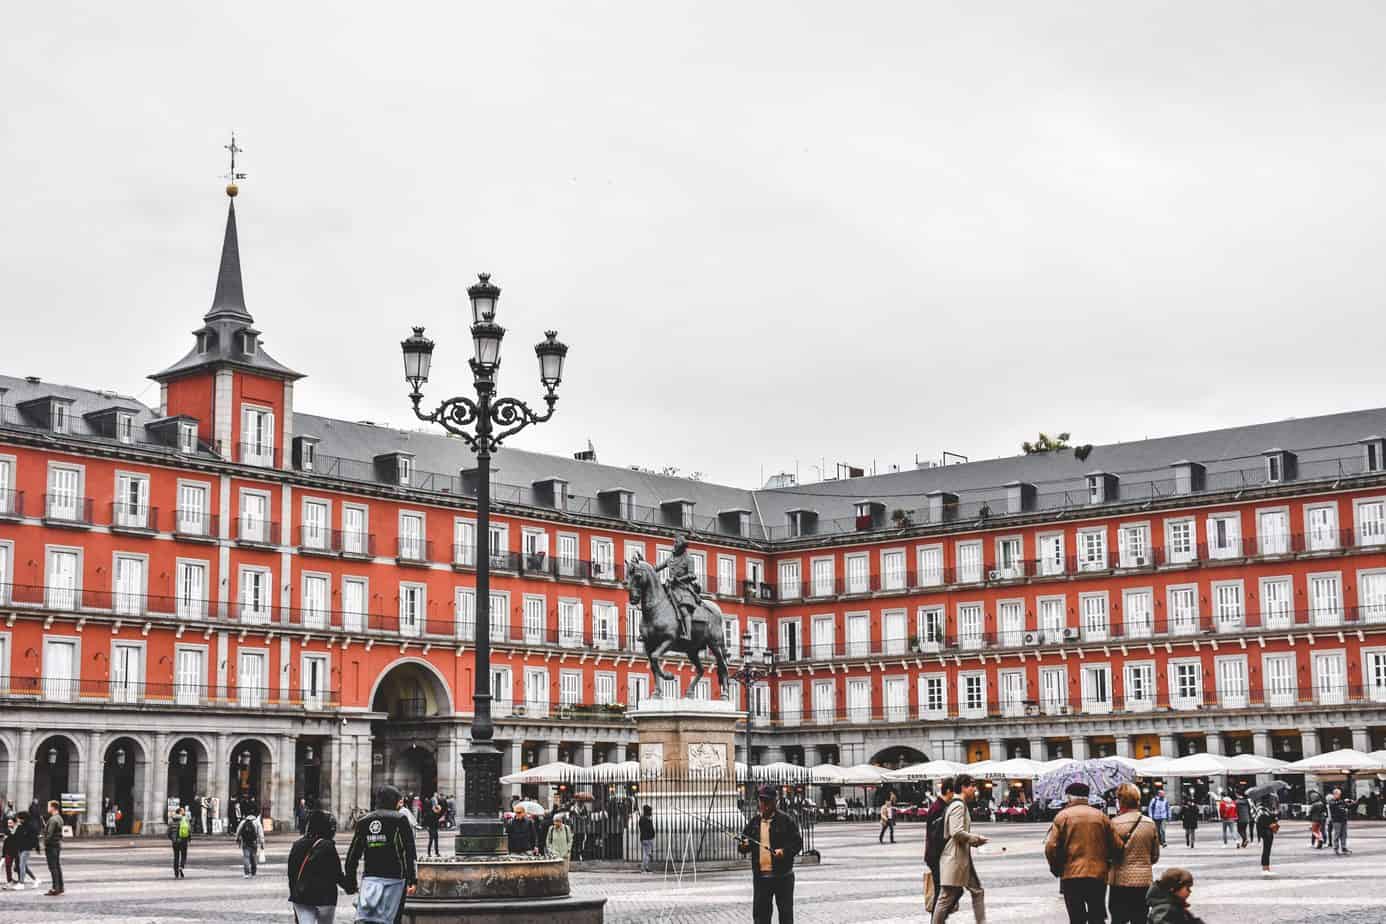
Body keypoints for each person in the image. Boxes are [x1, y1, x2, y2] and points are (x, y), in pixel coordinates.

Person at [1044, 781, 1116, 924]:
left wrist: (1056, 867)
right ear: (1087, 797)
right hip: (1098, 873)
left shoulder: (1062, 816)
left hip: (1071, 874)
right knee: (1097, 915)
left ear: (1069, 797)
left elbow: (1051, 846)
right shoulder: (1101, 816)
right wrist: (1108, 863)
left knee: (1076, 917)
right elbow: (1116, 845)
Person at [345, 785, 418, 924]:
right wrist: (412, 879)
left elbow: (353, 855)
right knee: (391, 917)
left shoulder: (363, 821)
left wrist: (350, 880)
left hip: (370, 877)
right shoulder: (400, 819)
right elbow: (409, 851)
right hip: (395, 877)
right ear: (394, 801)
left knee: (367, 917)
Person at [738, 784, 802, 924]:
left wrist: (784, 852)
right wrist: (744, 846)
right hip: (761, 878)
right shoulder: (754, 822)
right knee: (761, 917)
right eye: (762, 802)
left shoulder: (785, 820)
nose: (764, 805)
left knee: (785, 916)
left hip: (783, 877)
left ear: (775, 802)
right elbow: (743, 843)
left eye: (767, 802)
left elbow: (797, 843)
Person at [932, 774, 987, 924]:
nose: (974, 789)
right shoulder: (958, 805)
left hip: (961, 857)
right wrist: (975, 838)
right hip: (955, 858)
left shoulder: (957, 804)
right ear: (963, 787)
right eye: (972, 786)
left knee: (977, 891)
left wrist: (973, 842)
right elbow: (955, 832)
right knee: (945, 897)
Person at [288, 809, 350, 924]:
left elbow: (292, 875)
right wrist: (349, 886)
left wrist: (294, 894)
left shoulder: (297, 845)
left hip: (302, 897)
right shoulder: (328, 846)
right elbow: (336, 874)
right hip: (325, 898)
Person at [1109, 783, 1159, 924]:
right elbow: (1155, 856)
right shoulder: (1149, 823)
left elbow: (1108, 854)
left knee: (1118, 919)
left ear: (1120, 801)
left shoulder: (1113, 824)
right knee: (1140, 919)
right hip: (1143, 881)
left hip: (1119, 880)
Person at [653, 535, 703, 639]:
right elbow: (656, 568)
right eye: (674, 543)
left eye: (676, 543)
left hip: (684, 588)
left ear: (682, 546)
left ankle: (688, 634)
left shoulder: (689, 559)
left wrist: (679, 579)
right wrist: (644, 565)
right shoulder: (670, 559)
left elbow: (692, 575)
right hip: (670, 587)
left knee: (684, 610)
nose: (674, 545)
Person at [923, 779, 954, 915]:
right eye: (955, 792)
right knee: (940, 893)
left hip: (935, 856)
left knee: (942, 892)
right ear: (948, 791)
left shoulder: (940, 806)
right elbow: (937, 836)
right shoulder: (939, 808)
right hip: (936, 857)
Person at [42, 800, 63, 896]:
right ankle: (60, 887)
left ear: (53, 807)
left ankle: (55, 888)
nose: (47, 808)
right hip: (57, 845)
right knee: (57, 867)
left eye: (48, 806)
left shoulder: (53, 819)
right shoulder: (59, 818)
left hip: (51, 846)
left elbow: (49, 834)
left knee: (53, 867)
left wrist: (44, 842)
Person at [236, 809, 264, 877]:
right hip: (254, 842)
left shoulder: (243, 822)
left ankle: (247, 873)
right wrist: (262, 843)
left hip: (245, 842)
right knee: (253, 857)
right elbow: (260, 834)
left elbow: (238, 831)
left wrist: (237, 839)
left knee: (246, 857)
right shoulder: (257, 822)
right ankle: (253, 873)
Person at [1255, 796, 1278, 875]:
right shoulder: (1261, 810)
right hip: (1265, 832)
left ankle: (1267, 867)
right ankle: (1265, 868)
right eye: (1270, 800)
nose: (1271, 802)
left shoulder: (1268, 810)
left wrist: (1275, 817)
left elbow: (1273, 819)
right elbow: (1259, 822)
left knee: (1267, 850)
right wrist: (1269, 825)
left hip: (1269, 832)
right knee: (1266, 850)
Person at [168, 806, 192, 879]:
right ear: (180, 812)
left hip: (175, 841)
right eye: (183, 811)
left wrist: (172, 839)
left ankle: (176, 873)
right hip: (183, 840)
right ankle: (181, 866)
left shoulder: (171, 821)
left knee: (176, 856)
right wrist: (189, 838)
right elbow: (189, 830)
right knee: (184, 855)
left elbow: (168, 833)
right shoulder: (185, 820)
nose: (184, 812)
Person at [1329, 786, 1353, 855]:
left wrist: (1351, 803)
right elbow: (1334, 804)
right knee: (1337, 834)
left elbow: (1347, 806)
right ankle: (1336, 848)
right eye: (1338, 794)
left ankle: (1343, 847)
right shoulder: (1332, 801)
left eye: (1340, 794)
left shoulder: (1340, 801)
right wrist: (1343, 801)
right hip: (1336, 820)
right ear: (1335, 794)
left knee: (1344, 835)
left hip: (1343, 820)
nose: (1339, 795)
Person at [422, 793, 442, 858]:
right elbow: (427, 819)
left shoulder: (436, 811)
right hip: (431, 827)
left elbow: (438, 816)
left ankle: (437, 852)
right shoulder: (429, 812)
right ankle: (429, 852)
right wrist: (427, 826)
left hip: (435, 827)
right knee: (431, 840)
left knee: (436, 840)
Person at [638, 804, 656, 872]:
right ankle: (644, 867)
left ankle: (646, 867)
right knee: (647, 854)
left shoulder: (641, 819)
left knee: (646, 853)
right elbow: (650, 829)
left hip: (643, 838)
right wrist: (653, 835)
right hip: (648, 838)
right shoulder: (648, 820)